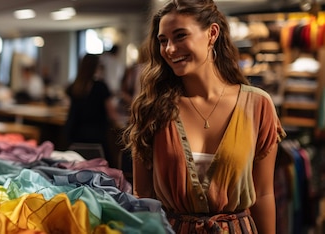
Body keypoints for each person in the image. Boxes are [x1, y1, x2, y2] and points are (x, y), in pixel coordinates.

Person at [122, 0, 286, 233]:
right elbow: (142, 196)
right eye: (163, 41)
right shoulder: (151, 108)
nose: (169, 49)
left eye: (180, 36)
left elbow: (263, 193)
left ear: (212, 33)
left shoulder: (257, 105)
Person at [64, 53, 118, 165]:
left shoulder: (74, 86)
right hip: (97, 140)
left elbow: (70, 112)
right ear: (96, 67)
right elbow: (112, 114)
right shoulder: (101, 87)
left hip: (76, 140)